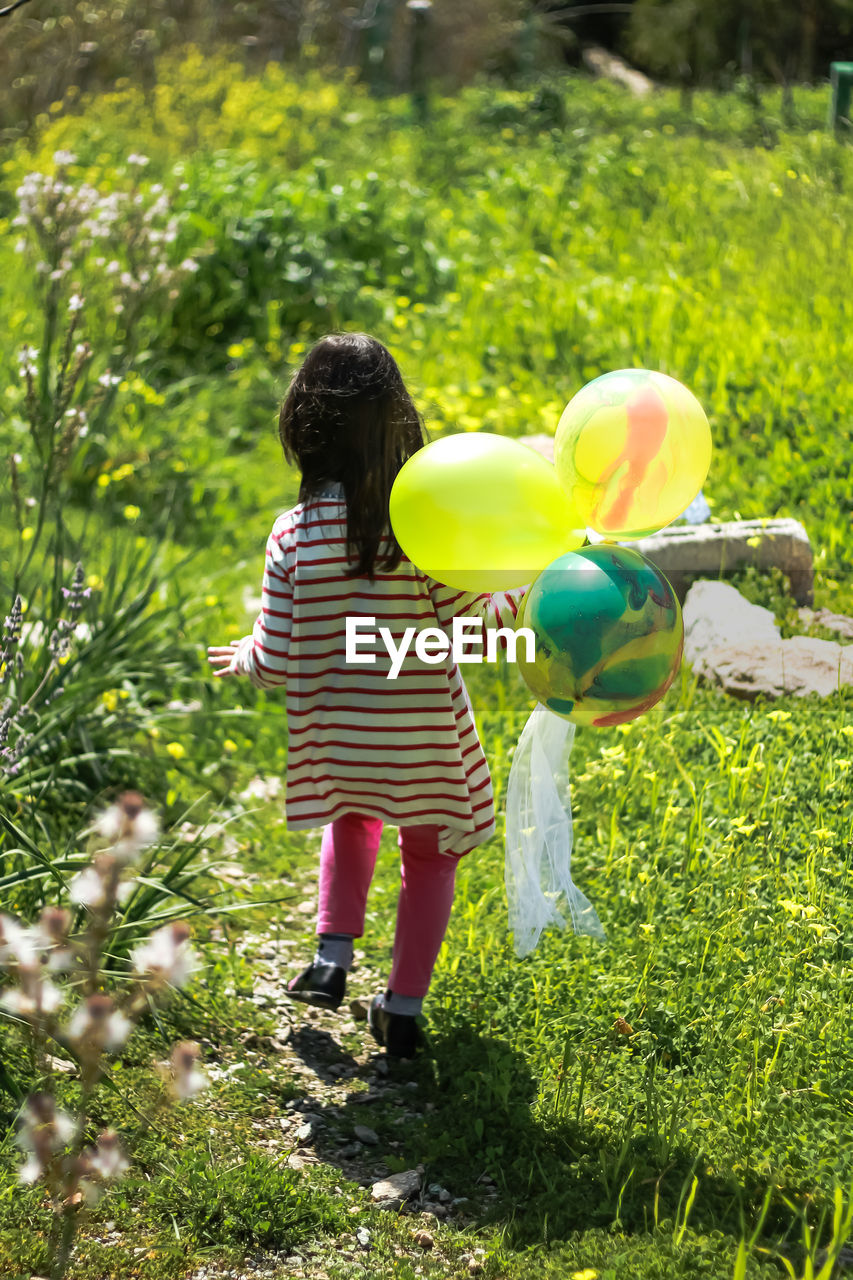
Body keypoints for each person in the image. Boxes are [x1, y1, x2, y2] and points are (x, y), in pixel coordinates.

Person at [207, 333, 524, 1058]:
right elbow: (474, 623)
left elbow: (281, 656)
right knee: (429, 854)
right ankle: (404, 1008)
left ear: (301, 429)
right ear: (399, 427)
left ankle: (331, 956)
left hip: (340, 741)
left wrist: (246, 661)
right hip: (422, 744)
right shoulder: (420, 536)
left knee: (350, 821)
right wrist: (523, 591)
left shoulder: (291, 536)